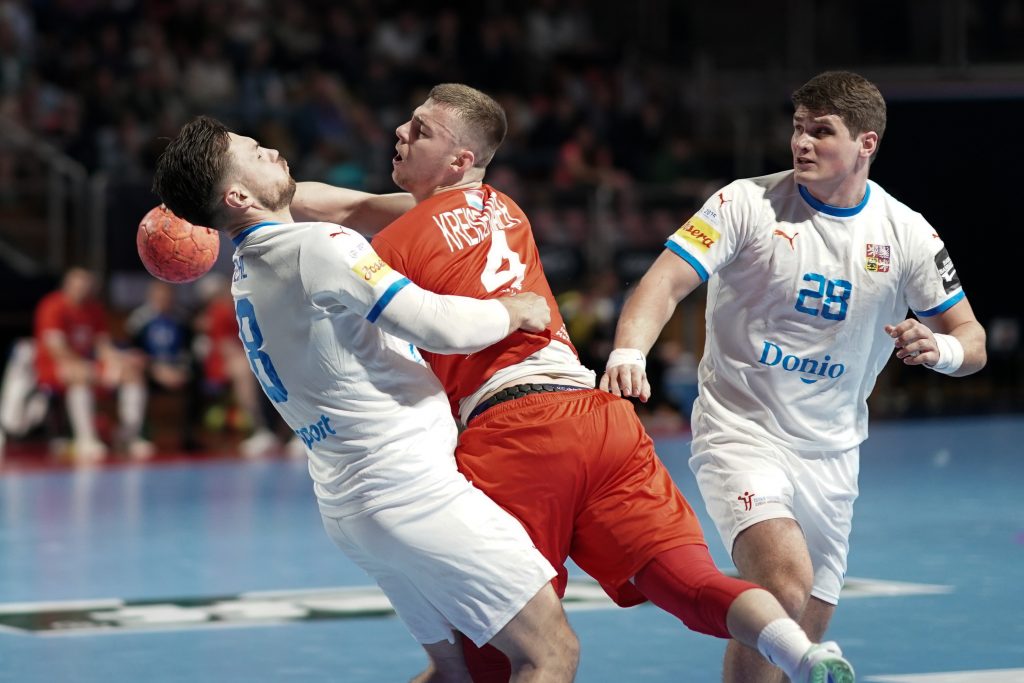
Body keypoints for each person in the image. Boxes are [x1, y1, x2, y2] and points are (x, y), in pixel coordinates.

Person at [295, 83, 855, 683]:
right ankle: (803, 653)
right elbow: (364, 206)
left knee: (493, 660)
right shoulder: (505, 206)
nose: (401, 133)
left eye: (420, 130)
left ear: (460, 159)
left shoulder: (394, 245)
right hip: (601, 419)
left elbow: (346, 218)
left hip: (514, 437)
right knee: (690, 582)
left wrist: (255, 205)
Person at [151, 115, 578, 682]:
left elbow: (339, 204)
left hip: (352, 505)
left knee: (453, 674)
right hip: (412, 492)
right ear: (238, 196)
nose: (273, 150)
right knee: (549, 653)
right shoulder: (318, 247)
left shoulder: (251, 268)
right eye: (255, 153)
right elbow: (434, 324)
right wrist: (513, 309)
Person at [601, 70, 987, 682]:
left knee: (800, 623)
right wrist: (628, 352)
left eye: (821, 132)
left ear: (866, 144)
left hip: (833, 450)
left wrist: (938, 349)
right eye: (798, 128)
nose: (802, 143)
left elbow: (972, 341)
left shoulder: (907, 233)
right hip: (741, 431)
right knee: (782, 584)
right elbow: (664, 282)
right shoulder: (743, 203)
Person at [33, 267, 154, 462]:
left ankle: (127, 436)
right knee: (80, 374)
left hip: (87, 365)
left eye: (85, 287)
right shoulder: (52, 305)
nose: (81, 290)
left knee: (132, 374)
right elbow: (56, 348)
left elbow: (103, 346)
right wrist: (83, 366)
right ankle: (86, 439)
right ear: (67, 285)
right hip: (52, 366)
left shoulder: (94, 308)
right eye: (77, 286)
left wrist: (122, 359)